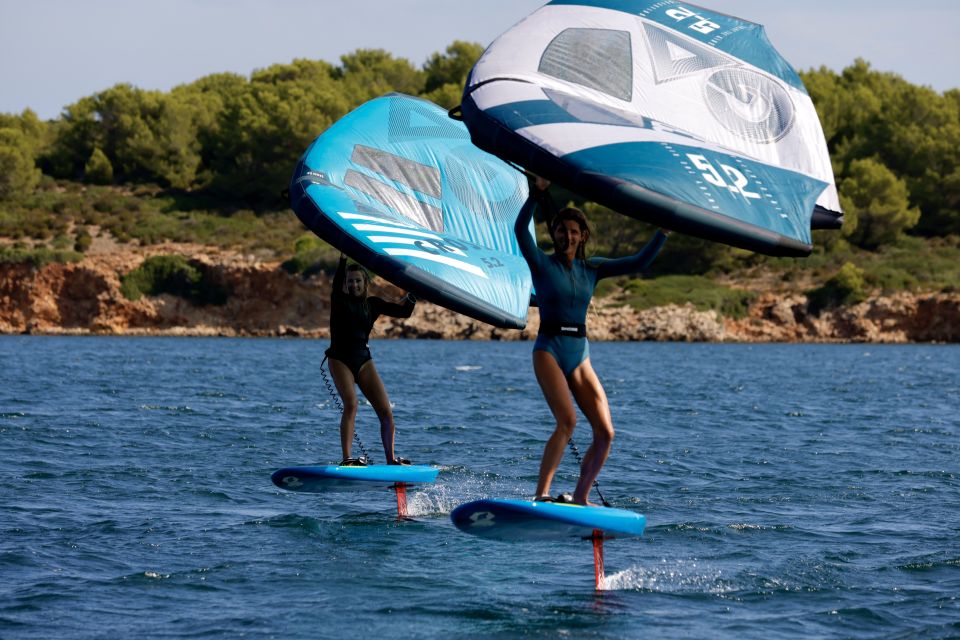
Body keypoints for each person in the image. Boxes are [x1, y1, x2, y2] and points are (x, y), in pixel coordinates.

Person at [515, 177, 669, 505]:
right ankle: (541, 494)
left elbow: (639, 262)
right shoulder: (542, 263)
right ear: (553, 234)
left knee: (606, 433)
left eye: (573, 231)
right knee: (567, 421)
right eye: (561, 230)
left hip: (580, 353)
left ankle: (580, 498)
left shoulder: (593, 269)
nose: (566, 236)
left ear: (582, 236)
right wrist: (535, 195)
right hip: (549, 350)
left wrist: (664, 231)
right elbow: (519, 232)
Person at [325, 254, 416, 466]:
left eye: (358, 281)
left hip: (363, 360)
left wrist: (415, 292)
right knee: (351, 404)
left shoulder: (373, 304)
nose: (354, 285)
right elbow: (337, 282)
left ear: (365, 283)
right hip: (339, 359)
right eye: (350, 281)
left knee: (386, 412)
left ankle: (391, 459)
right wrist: (342, 259)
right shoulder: (339, 300)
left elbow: (404, 312)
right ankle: (347, 458)